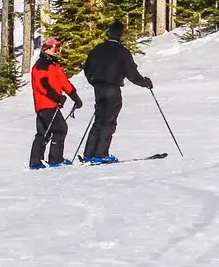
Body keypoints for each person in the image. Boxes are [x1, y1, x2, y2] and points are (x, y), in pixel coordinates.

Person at [82, 20, 152, 163]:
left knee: (99, 120)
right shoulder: (122, 52)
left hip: (98, 89)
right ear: (120, 35)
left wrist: (93, 81)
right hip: (112, 89)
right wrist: (145, 82)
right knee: (109, 122)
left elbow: (87, 68)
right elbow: (132, 74)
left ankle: (88, 154)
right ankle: (100, 155)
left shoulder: (97, 49)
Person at [27, 36, 83, 169]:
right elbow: (43, 86)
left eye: (59, 48)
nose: (58, 51)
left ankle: (36, 162)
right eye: (55, 48)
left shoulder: (53, 64)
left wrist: (74, 96)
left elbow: (63, 82)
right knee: (60, 129)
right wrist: (57, 97)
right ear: (46, 49)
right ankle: (55, 160)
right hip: (45, 104)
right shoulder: (42, 65)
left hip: (50, 104)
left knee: (43, 133)